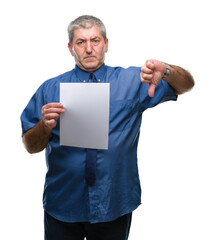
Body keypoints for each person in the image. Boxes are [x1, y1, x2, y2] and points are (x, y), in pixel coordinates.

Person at [20, 15, 194, 240]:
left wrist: (168, 70)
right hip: (62, 203)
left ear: (106, 44)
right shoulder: (50, 89)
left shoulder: (134, 80)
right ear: (70, 48)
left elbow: (187, 85)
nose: (89, 48)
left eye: (95, 40)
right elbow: (29, 145)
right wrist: (44, 125)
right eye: (81, 42)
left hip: (114, 201)